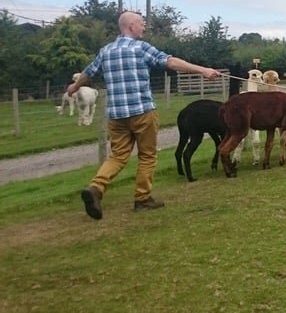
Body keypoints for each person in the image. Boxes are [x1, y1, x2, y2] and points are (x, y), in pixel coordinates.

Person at [67, 11, 221, 220]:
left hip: (116, 115)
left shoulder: (106, 51)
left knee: (118, 156)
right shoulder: (140, 48)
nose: (144, 27)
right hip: (142, 112)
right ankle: (142, 198)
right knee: (147, 155)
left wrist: (73, 87)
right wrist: (202, 70)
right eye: (141, 23)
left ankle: (96, 188)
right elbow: (170, 62)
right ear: (131, 26)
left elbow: (88, 73)